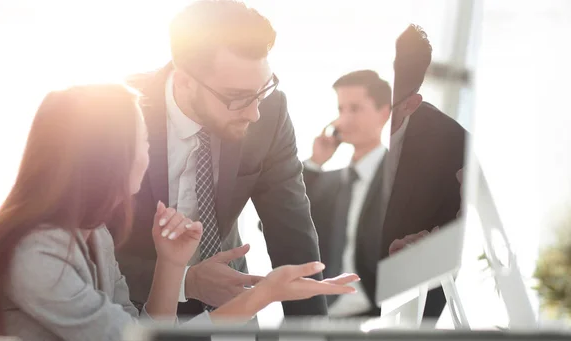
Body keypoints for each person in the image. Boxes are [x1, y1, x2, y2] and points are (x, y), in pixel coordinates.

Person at [0, 84, 359, 340]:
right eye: (142, 142)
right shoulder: (37, 253)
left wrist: (172, 265)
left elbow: (142, 329)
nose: (148, 155)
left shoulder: (94, 234)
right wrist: (262, 296)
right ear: (107, 156)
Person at [114, 0, 327, 317]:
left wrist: (312, 332)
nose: (253, 113)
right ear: (185, 80)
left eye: (262, 88)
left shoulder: (269, 111)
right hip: (134, 310)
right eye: (237, 97)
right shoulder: (117, 115)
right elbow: (87, 250)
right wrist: (186, 281)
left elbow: (291, 226)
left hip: (233, 302)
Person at [373, 24, 467, 319]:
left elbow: (449, 253)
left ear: (411, 104)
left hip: (400, 302)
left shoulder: (452, 146)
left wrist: (420, 253)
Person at [300, 70, 391, 317]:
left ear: (384, 113)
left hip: (373, 315)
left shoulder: (399, 180)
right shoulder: (328, 182)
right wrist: (315, 163)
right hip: (320, 313)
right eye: (341, 110)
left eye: (356, 108)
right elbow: (278, 226)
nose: (345, 119)